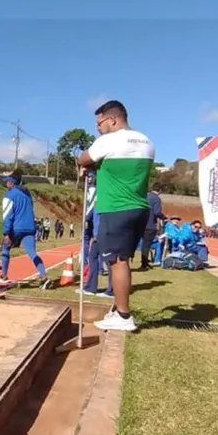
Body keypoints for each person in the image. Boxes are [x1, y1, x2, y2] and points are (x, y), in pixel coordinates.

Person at [77, 100, 154, 332]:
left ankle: (123, 315)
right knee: (123, 260)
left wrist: (89, 166)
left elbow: (83, 159)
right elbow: (117, 166)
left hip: (116, 208)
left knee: (116, 262)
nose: (98, 127)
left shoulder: (109, 141)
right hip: (139, 206)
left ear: (113, 119)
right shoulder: (147, 141)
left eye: (99, 122)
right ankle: (118, 308)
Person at [0, 169, 50, 289]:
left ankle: (4, 275)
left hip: (16, 228)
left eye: (8, 181)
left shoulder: (9, 195)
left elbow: (8, 215)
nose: (6, 183)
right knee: (32, 253)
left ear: (12, 183)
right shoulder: (27, 194)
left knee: (5, 247)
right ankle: (44, 277)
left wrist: (6, 233)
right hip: (30, 227)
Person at [139, 182, 167, 270]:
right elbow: (157, 212)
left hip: (142, 223)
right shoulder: (156, 199)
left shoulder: (145, 196)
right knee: (147, 245)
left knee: (144, 245)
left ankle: (145, 262)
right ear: (160, 190)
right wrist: (164, 217)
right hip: (150, 225)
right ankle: (144, 264)